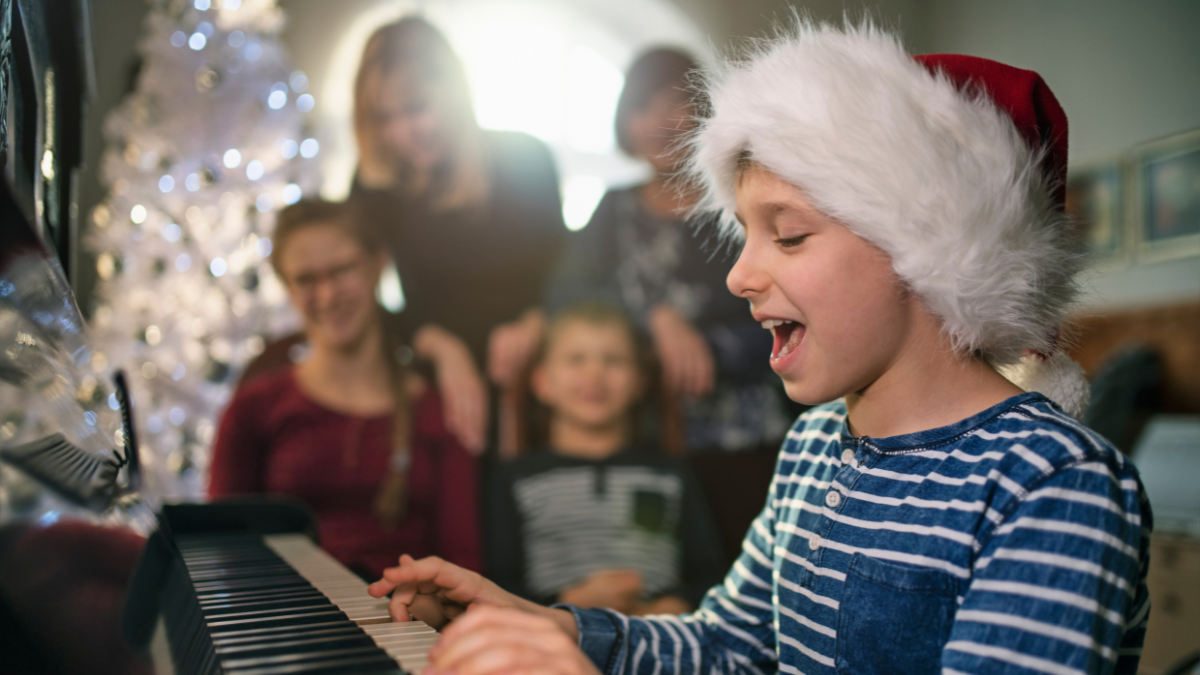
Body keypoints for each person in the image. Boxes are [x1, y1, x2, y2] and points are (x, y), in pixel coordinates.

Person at [366, 20, 1153, 675]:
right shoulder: (813, 446)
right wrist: (551, 626)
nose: (740, 275)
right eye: (745, 234)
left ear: (926, 249)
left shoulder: (1052, 484)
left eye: (790, 234)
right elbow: (726, 646)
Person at [209, 199, 482, 580]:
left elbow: (465, 565)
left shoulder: (438, 411)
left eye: (341, 271)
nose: (327, 295)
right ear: (286, 287)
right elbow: (223, 551)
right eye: (306, 280)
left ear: (378, 265)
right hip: (286, 621)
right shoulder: (254, 409)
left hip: (410, 624)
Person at [546, 48, 790, 453]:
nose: (659, 123)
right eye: (642, 107)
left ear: (705, 113)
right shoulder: (612, 210)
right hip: (638, 432)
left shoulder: (740, 208)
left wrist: (706, 344)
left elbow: (787, 312)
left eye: (675, 104)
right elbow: (563, 296)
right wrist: (654, 317)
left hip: (747, 431)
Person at [350, 17, 567, 452]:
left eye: (416, 108)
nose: (403, 132)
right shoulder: (375, 185)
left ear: (455, 92)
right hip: (437, 378)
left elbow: (567, 265)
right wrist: (440, 347)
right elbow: (361, 297)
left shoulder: (526, 157)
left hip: (543, 367)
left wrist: (536, 321)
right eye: (386, 117)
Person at [487, 302, 726, 615]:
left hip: (659, 639)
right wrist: (569, 603)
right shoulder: (515, 478)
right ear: (543, 383)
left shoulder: (671, 474)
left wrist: (677, 603)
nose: (594, 374)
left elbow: (712, 575)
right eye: (576, 359)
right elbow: (499, 585)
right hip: (552, 639)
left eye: (613, 360)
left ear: (640, 381)